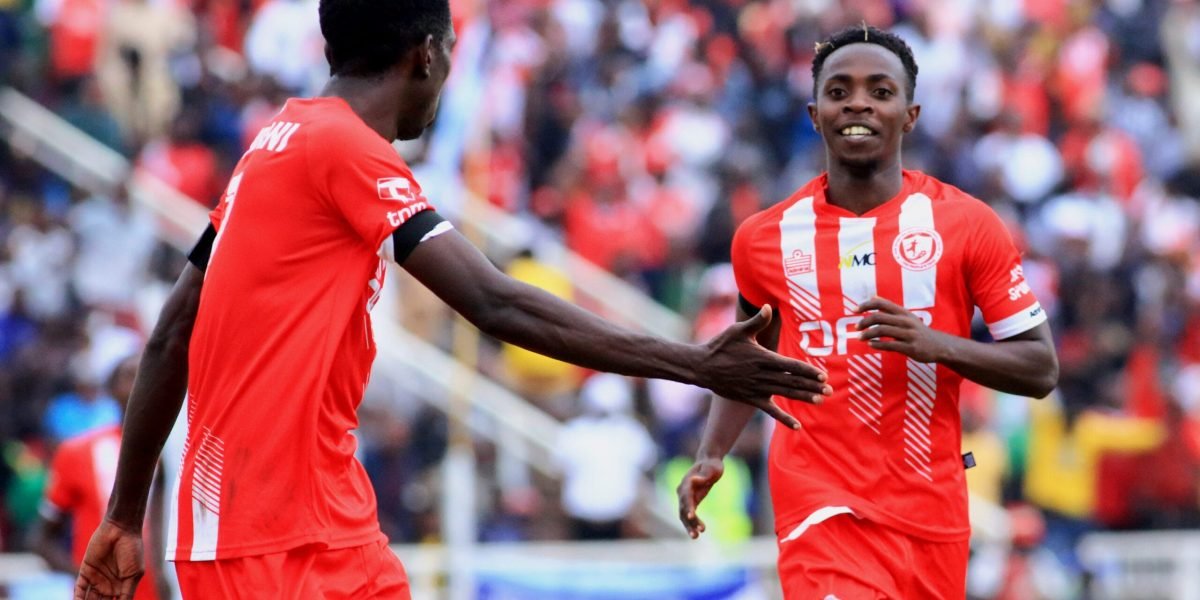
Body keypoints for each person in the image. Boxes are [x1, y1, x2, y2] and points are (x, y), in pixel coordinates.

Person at [73, 1, 831, 598]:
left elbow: (174, 329)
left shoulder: (273, 142)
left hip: (303, 532)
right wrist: (695, 363)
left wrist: (122, 514)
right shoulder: (347, 150)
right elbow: (495, 303)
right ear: (426, 56)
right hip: (279, 543)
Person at [676, 25, 1059, 600]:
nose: (858, 102)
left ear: (910, 114)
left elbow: (1040, 369)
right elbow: (747, 353)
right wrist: (712, 452)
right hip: (819, 504)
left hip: (932, 511)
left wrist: (938, 344)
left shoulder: (968, 225)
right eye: (839, 91)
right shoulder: (764, 238)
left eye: (880, 92)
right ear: (814, 113)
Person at [34, 354, 169, 600]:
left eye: (150, 372)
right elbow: (42, 539)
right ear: (111, 390)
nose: (144, 380)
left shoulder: (167, 453)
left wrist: (163, 579)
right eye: (131, 374)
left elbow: (158, 527)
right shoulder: (78, 452)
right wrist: (87, 576)